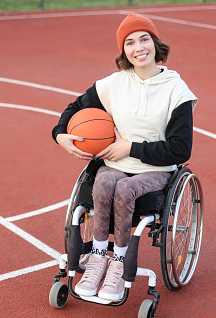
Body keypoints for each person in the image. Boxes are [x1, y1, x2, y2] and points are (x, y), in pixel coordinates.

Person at [52, 13, 198, 302]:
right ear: (124, 51)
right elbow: (74, 108)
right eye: (129, 43)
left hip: (156, 169)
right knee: (105, 182)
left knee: (126, 188)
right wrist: (60, 134)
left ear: (156, 44)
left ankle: (117, 263)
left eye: (144, 39)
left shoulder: (177, 91)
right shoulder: (113, 84)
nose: (138, 47)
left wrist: (129, 148)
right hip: (115, 164)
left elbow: (180, 150)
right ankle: (97, 258)